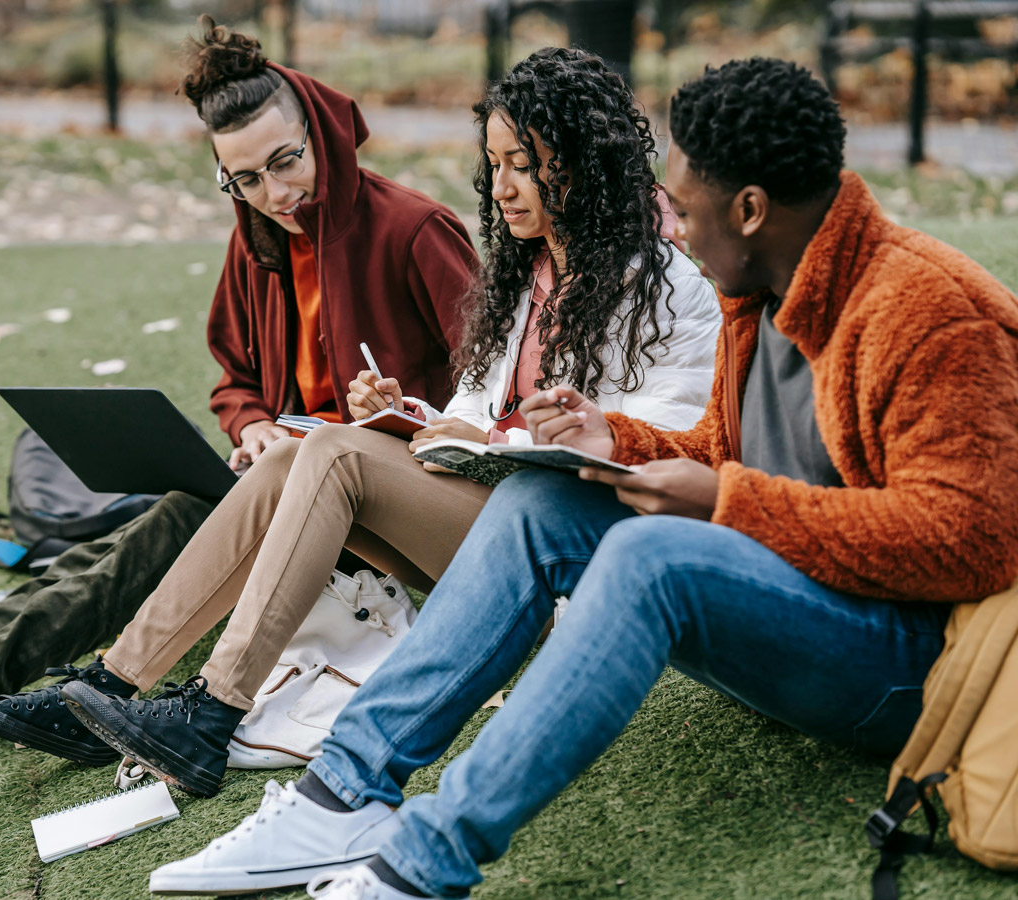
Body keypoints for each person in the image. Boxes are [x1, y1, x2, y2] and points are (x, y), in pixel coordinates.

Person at [142, 57, 1018, 899]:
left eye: (688, 205)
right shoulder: (763, 289)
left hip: (913, 674)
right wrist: (618, 437)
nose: (672, 222)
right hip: (800, 607)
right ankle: (341, 797)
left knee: (653, 559)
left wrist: (727, 502)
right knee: (543, 498)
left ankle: (422, 862)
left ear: (750, 208)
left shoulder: (931, 310)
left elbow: (973, 542)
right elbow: (729, 442)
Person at [0, 46, 720, 800]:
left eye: (526, 163)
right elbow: (474, 412)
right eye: (496, 164)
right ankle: (116, 681)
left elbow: (681, 428)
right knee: (294, 455)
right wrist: (405, 416)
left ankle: (212, 711)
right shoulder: (526, 274)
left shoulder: (671, 285)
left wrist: (563, 431)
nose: (505, 186)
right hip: (491, 512)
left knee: (332, 454)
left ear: (584, 162)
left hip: (568, 545)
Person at [0, 22, 478, 814]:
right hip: (284, 492)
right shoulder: (259, 245)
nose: (276, 193)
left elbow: (485, 400)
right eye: (246, 179)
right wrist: (254, 426)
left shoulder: (414, 230)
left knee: (155, 535)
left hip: (388, 520)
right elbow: (237, 382)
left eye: (285, 161)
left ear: (323, 135)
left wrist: (399, 411)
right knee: (99, 561)